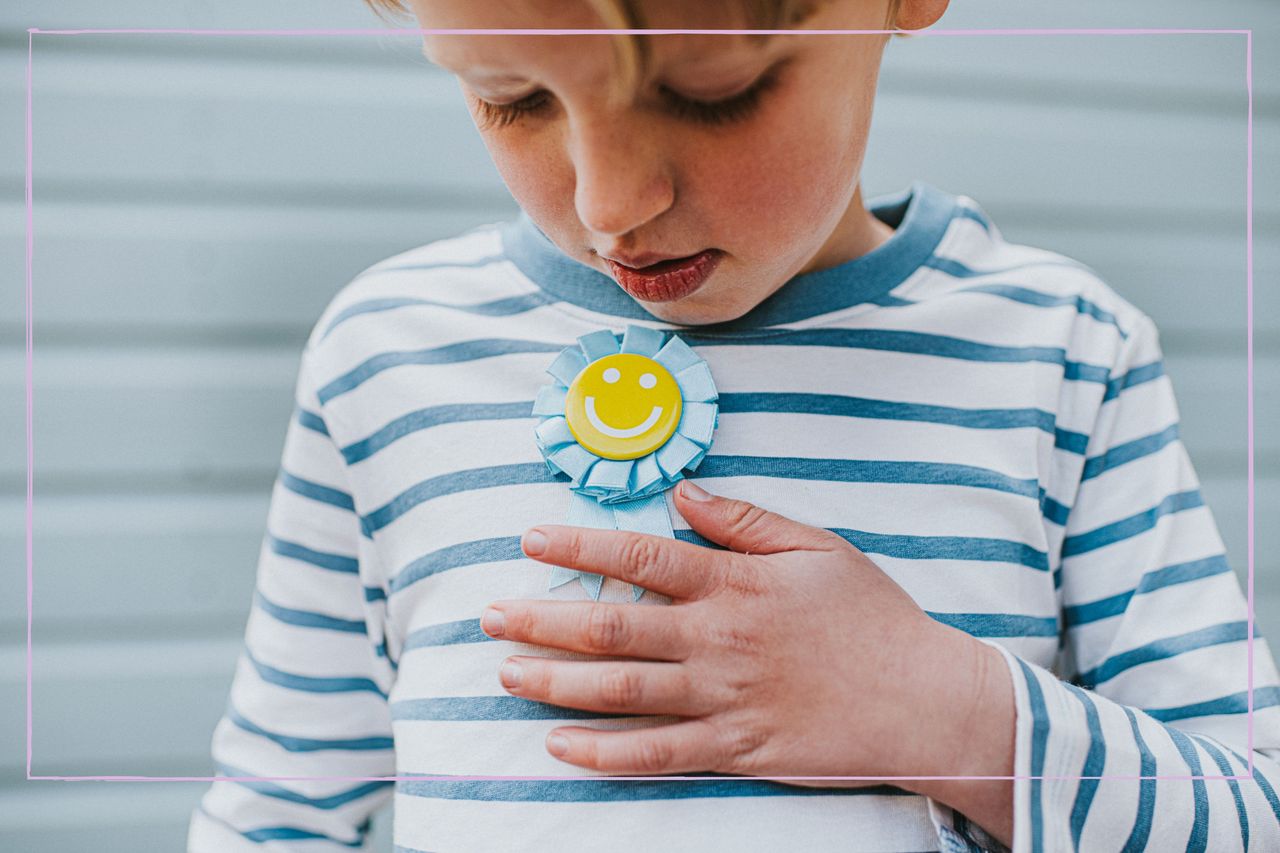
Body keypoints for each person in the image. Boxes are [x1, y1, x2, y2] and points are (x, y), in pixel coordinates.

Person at [187, 1, 1280, 850]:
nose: (610, 201)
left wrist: (940, 708)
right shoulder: (381, 350)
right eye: (510, 98)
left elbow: (1249, 811)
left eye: (711, 93)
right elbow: (275, 809)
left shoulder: (1063, 352)